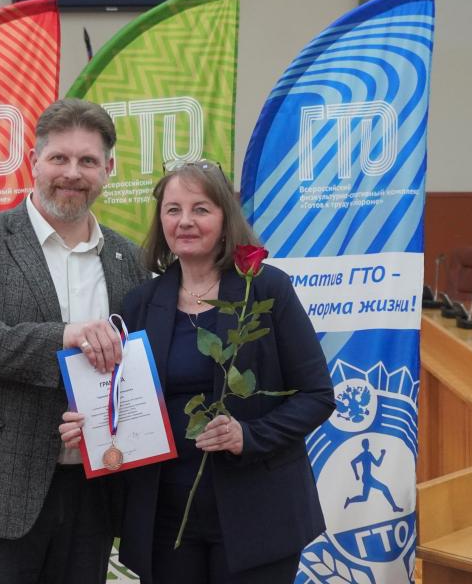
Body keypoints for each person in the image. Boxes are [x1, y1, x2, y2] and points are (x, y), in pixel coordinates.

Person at [60, 160, 335, 583]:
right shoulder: (140, 302)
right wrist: (90, 427)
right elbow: (119, 398)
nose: (184, 221)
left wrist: (250, 436)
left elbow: (317, 395)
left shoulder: (266, 290)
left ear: (225, 220)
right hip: (166, 520)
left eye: (200, 209)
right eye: (173, 210)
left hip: (258, 514)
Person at [0, 98, 146, 584]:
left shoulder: (130, 259)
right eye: (59, 158)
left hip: (92, 494)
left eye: (88, 160)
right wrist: (64, 337)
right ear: (34, 162)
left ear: (108, 170)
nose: (73, 173)